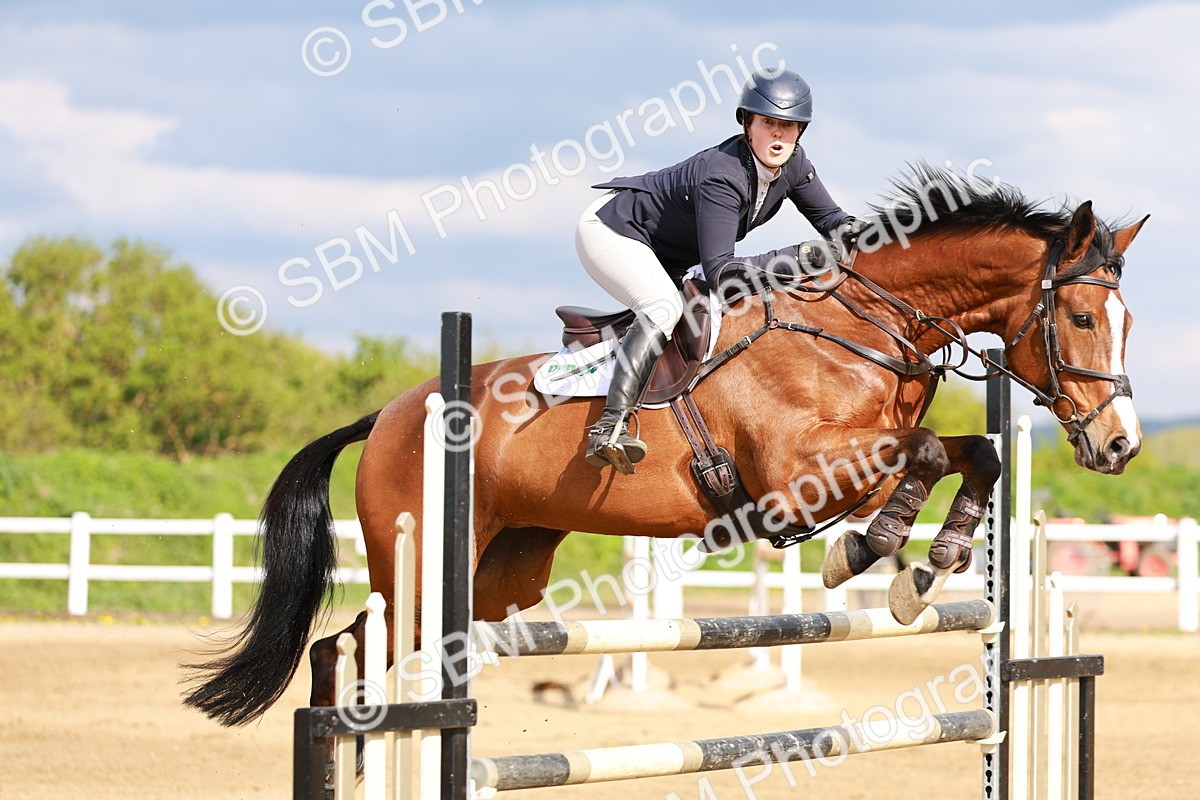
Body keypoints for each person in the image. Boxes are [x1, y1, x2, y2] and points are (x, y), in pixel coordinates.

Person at [576, 68, 864, 474]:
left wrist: (877, 232)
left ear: (801, 130)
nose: (779, 135)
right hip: (615, 232)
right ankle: (609, 427)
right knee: (662, 307)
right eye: (769, 123)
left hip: (669, 252)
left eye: (789, 126)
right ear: (748, 123)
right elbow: (723, 275)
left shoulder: (795, 164)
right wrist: (800, 257)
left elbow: (832, 219)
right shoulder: (723, 175)